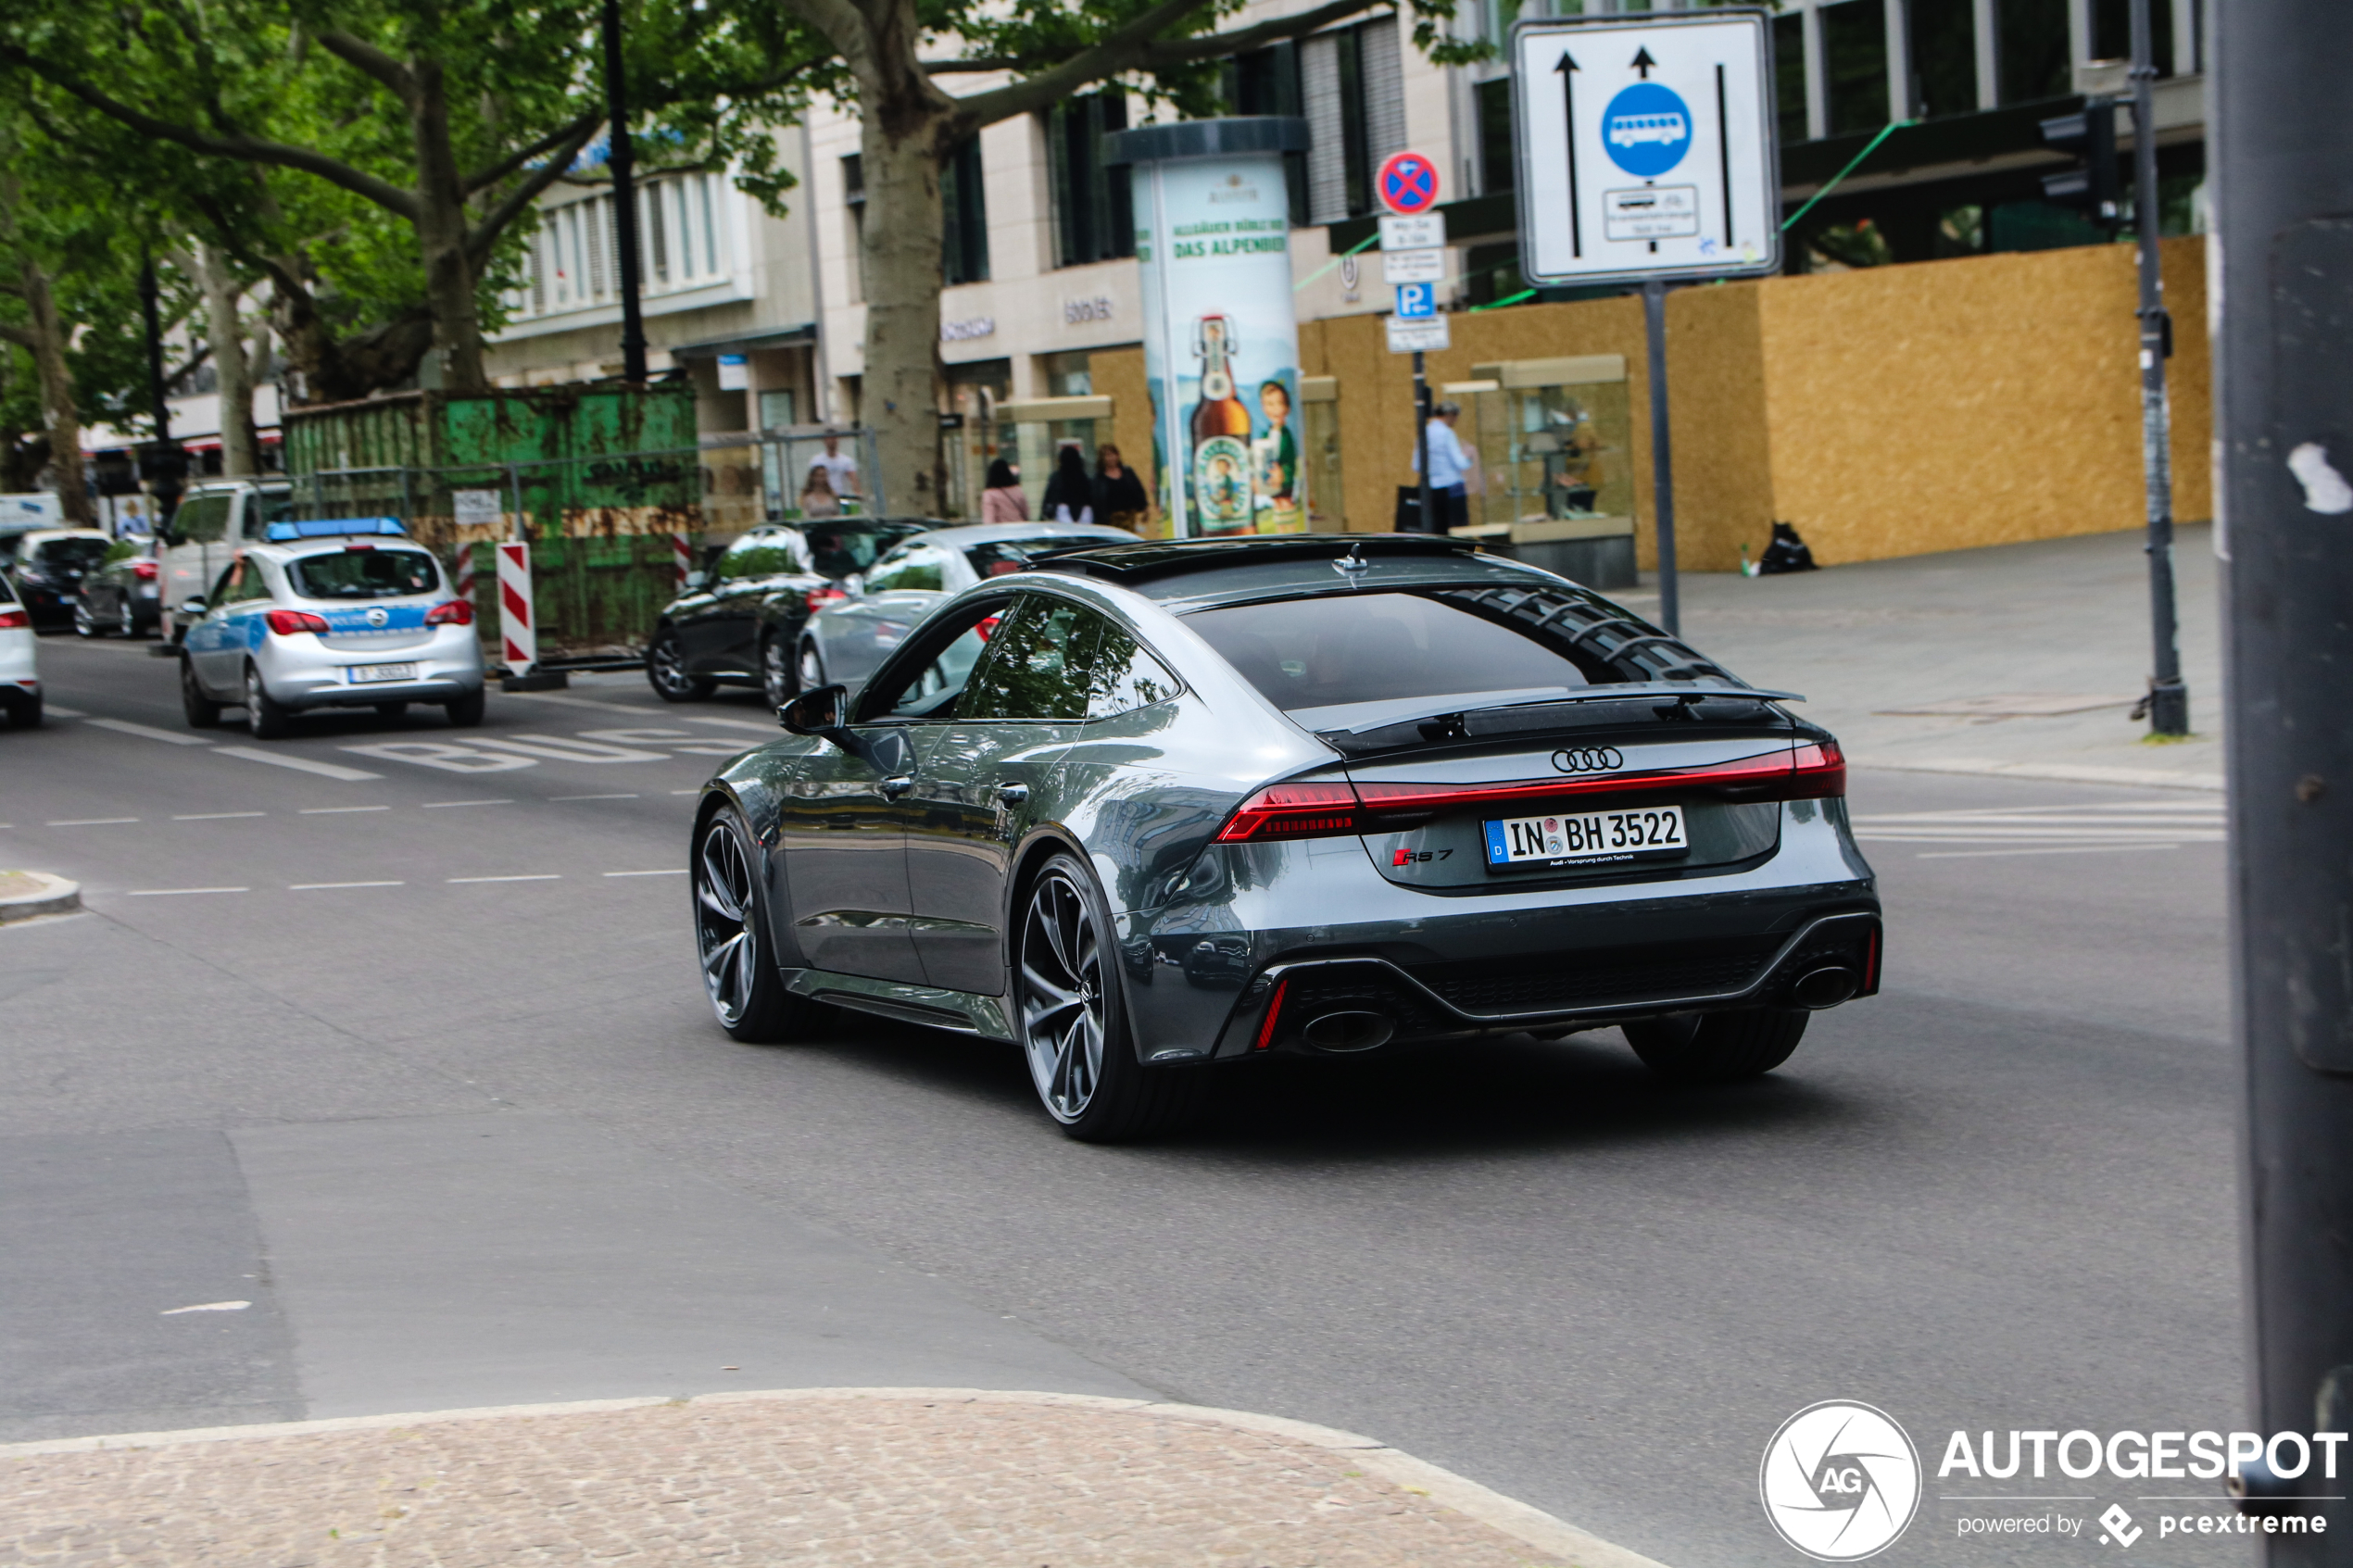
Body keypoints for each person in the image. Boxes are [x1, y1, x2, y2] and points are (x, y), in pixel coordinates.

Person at [1408, 399, 1472, 534]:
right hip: (1451, 488)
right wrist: (1468, 457)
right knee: (1459, 530)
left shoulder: (1423, 433)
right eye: (1455, 417)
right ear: (1449, 415)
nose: (1455, 421)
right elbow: (1460, 462)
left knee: (1437, 530)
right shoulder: (1447, 433)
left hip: (1430, 490)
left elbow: (1416, 465)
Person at [1092, 445, 1149, 533]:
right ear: (1102, 458)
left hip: (1130, 518)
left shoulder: (1128, 473)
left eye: (1113, 454)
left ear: (1117, 455)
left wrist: (1144, 508)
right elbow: (1097, 501)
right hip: (1111, 521)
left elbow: (1139, 490)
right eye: (1107, 455)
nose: (1111, 458)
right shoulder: (1099, 479)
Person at [1040, 445, 1094, 524]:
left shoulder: (1057, 477)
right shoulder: (1084, 477)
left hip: (1062, 509)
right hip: (1084, 510)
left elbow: (1050, 496)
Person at [811, 432, 859, 501]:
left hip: (842, 497)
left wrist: (857, 494)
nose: (831, 442)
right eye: (829, 439)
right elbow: (812, 482)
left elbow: (853, 479)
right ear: (825, 441)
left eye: (833, 439)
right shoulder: (817, 460)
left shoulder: (846, 461)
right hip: (824, 498)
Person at [980, 458, 1028, 523]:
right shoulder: (1018, 490)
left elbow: (989, 517)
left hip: (1001, 530)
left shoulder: (989, 494)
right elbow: (1025, 511)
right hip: (1019, 527)